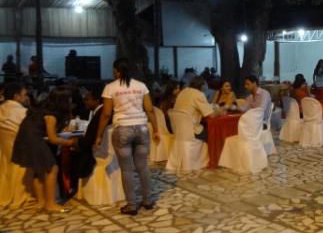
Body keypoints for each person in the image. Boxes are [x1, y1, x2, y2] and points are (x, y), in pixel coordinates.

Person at [95, 58, 160, 216]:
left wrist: (99, 135)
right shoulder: (141, 86)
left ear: (116, 71)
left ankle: (131, 205)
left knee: (127, 169)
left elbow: (105, 114)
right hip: (142, 128)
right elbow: (150, 109)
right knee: (143, 166)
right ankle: (147, 200)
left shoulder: (110, 88)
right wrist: (156, 129)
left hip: (122, 130)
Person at [12, 86, 77, 212]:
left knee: (38, 170)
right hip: (34, 140)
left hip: (24, 139)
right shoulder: (51, 115)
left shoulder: (42, 108)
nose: (70, 102)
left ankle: (41, 202)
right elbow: (53, 139)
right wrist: (69, 142)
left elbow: (46, 130)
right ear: (63, 101)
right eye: (69, 100)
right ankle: (50, 203)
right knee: (52, 168)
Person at [70, 87, 108, 183]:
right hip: (98, 145)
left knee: (70, 153)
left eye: (87, 99)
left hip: (96, 150)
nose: (85, 102)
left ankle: (73, 185)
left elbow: (89, 140)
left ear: (97, 100)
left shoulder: (100, 114)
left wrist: (75, 142)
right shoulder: (97, 112)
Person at [174, 76, 220, 140]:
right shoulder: (199, 94)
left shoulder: (182, 92)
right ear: (202, 86)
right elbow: (212, 115)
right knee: (216, 133)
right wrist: (220, 112)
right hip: (191, 131)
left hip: (178, 130)